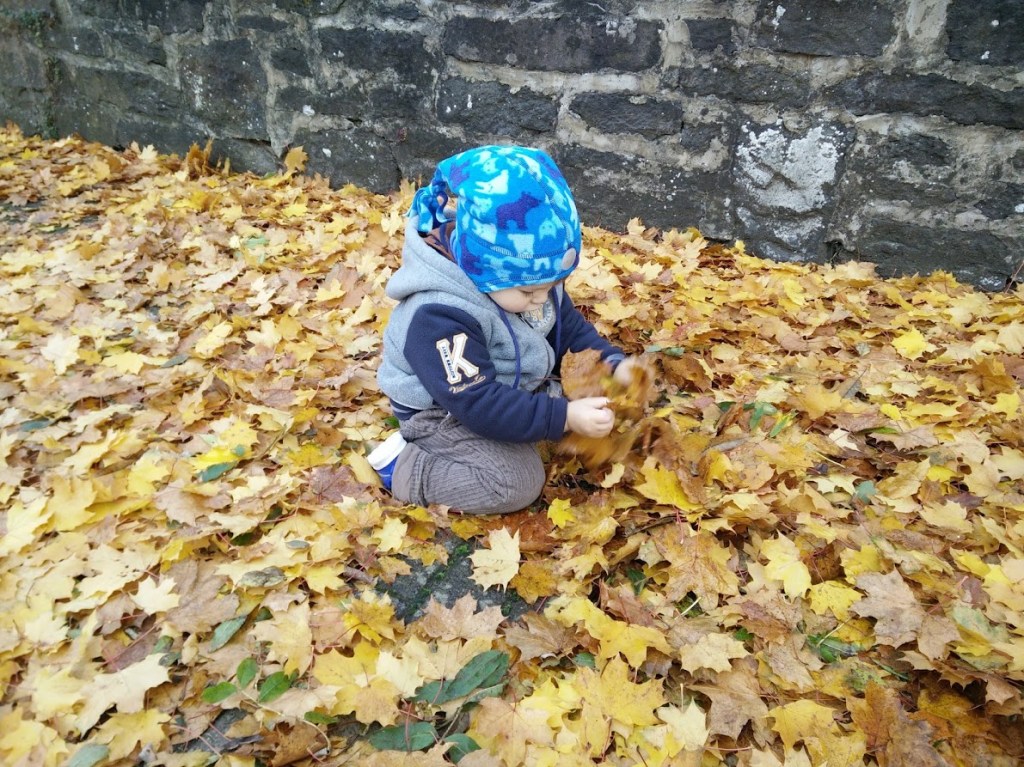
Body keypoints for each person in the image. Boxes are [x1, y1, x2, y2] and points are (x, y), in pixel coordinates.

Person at [369, 145, 637, 514]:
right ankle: (406, 467)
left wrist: (611, 363)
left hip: (504, 382)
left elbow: (568, 328)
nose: (543, 299)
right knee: (515, 483)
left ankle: (531, 423)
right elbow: (476, 403)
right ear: (484, 270)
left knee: (600, 407)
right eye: (530, 291)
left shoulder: (525, 284)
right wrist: (563, 417)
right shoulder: (439, 315)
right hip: (446, 409)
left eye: (553, 285)